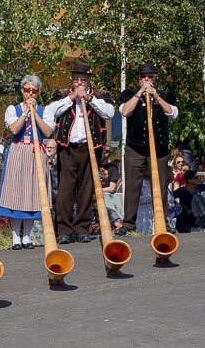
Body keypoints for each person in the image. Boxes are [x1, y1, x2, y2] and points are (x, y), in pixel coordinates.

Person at [43, 63, 114, 244]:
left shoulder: (100, 95)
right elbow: (51, 111)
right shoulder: (62, 94)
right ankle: (64, 230)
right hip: (67, 147)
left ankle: (82, 228)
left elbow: (109, 113)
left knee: (86, 189)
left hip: (92, 148)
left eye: (83, 79)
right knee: (65, 189)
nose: (79, 82)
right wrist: (72, 97)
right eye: (76, 79)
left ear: (89, 80)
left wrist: (89, 98)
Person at [115, 63, 178, 235]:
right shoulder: (128, 94)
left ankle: (162, 221)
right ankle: (128, 223)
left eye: (150, 77)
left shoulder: (165, 95)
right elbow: (125, 112)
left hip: (159, 148)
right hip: (135, 147)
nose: (147, 80)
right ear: (139, 79)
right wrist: (139, 93)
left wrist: (156, 97)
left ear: (155, 77)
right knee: (132, 184)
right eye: (143, 77)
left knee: (160, 185)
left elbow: (173, 114)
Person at [0, 74, 53, 250]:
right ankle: (15, 237)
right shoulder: (13, 109)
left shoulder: (45, 110)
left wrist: (35, 114)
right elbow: (14, 129)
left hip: (36, 152)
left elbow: (48, 132)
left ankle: (27, 237)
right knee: (16, 193)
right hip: (18, 151)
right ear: (22, 91)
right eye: (27, 90)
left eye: (34, 91)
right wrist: (26, 112)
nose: (30, 94)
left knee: (32, 193)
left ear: (38, 92)